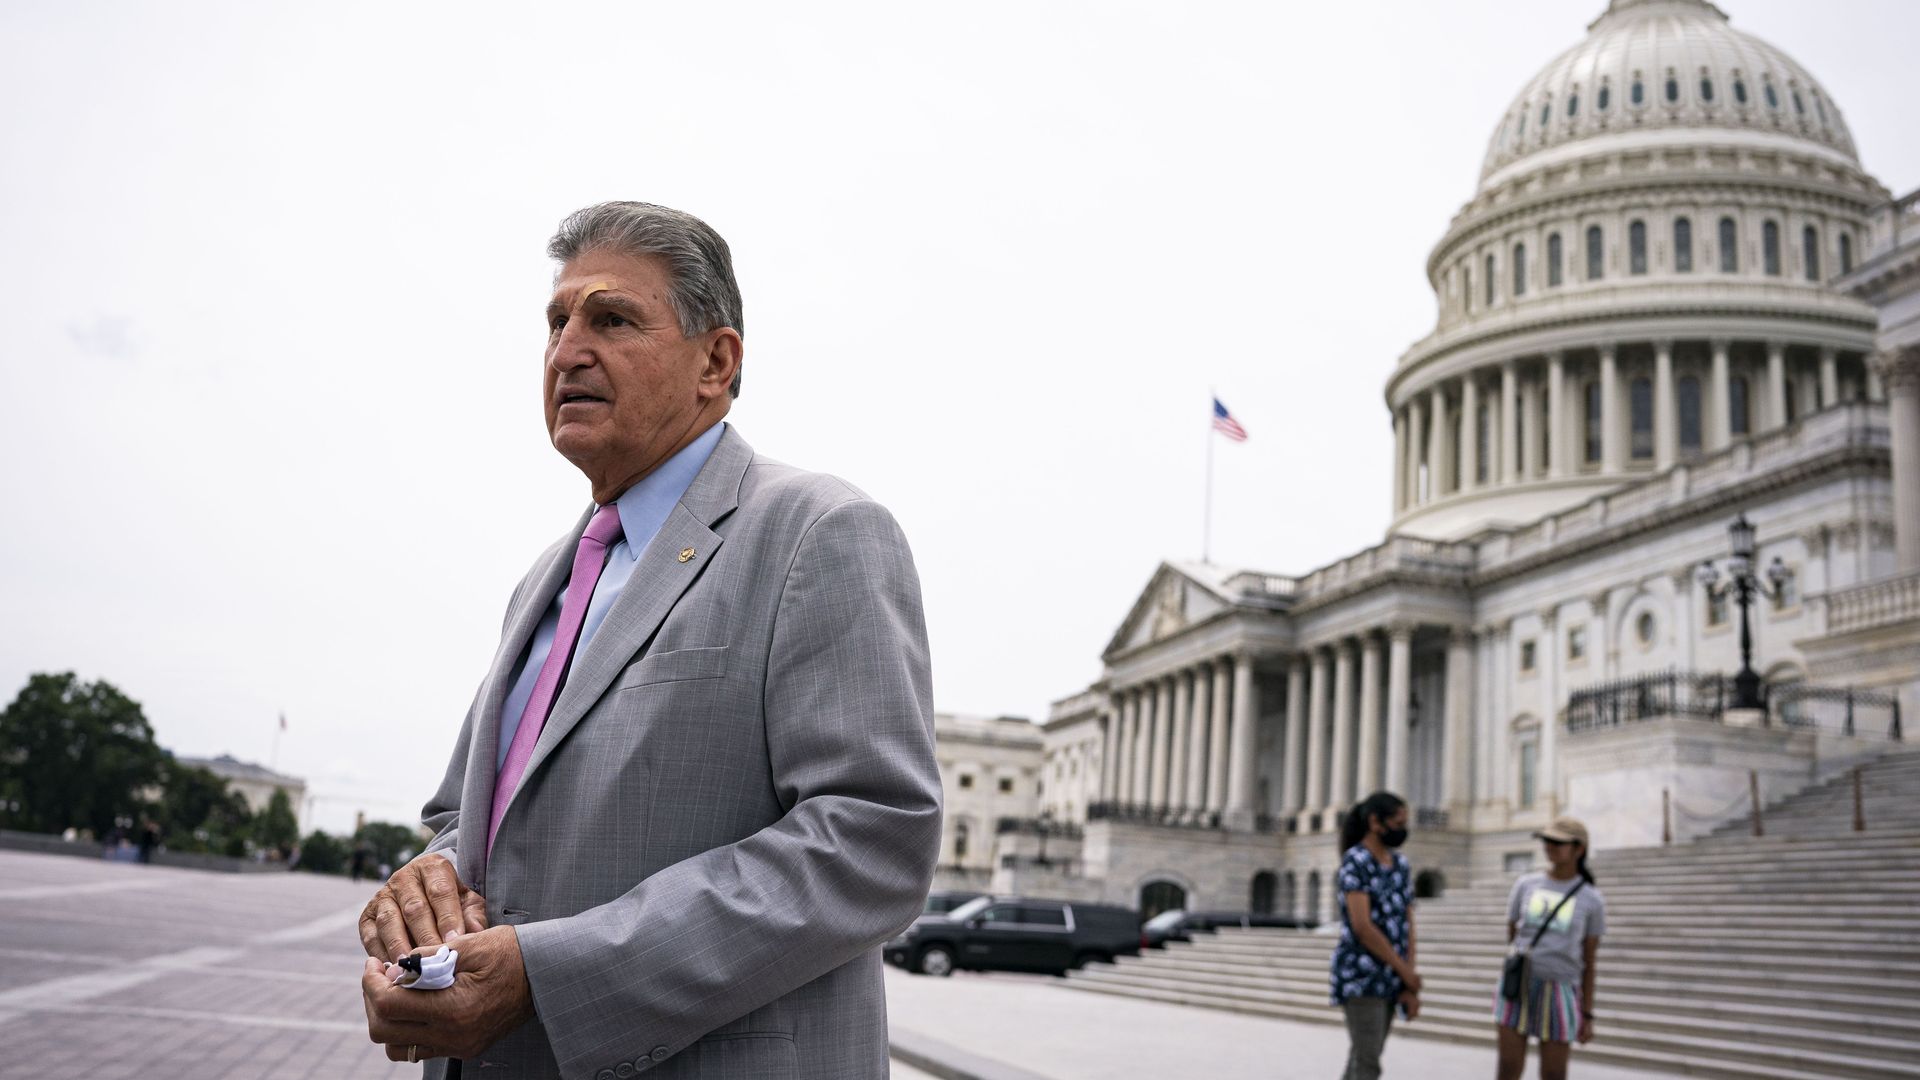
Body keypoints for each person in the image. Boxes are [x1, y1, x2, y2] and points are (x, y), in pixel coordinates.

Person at [356, 201, 941, 1079]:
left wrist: (551, 976)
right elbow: (464, 820)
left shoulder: (819, 533)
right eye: (556, 323)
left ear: (716, 360)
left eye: (612, 318)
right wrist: (424, 891)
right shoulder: (545, 579)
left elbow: (873, 838)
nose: (567, 351)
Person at [1495, 816, 1606, 1080]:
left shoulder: (1592, 899)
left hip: (1561, 988)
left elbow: (1589, 960)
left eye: (1558, 842)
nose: (1549, 847)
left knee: (1554, 1073)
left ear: (1579, 849)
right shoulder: (1526, 884)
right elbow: (1514, 933)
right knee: (1508, 1069)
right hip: (1518, 984)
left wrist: (1587, 1013)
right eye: (1547, 841)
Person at [1329, 790, 1420, 1080]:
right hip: (1361, 975)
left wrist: (1409, 979)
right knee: (1368, 1062)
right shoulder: (1356, 861)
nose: (1402, 829)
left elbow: (1408, 924)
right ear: (1375, 823)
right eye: (1397, 822)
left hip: (1392, 976)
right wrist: (1404, 969)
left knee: (1363, 1058)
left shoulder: (1400, 864)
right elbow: (1362, 927)